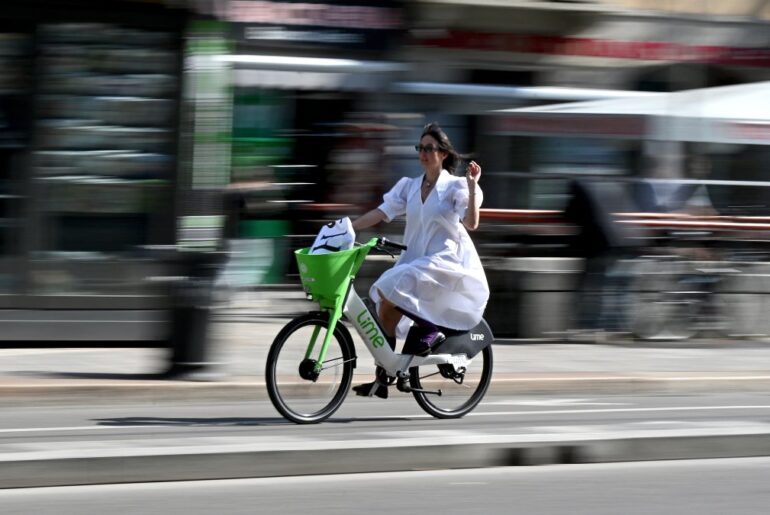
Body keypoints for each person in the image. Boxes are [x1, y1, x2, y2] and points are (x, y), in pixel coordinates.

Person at [349, 122, 489, 398]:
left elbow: (471, 223)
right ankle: (384, 377)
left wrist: (473, 188)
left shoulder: (454, 187)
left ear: (443, 153)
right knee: (385, 309)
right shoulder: (410, 187)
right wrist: (350, 228)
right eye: (420, 148)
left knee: (389, 283)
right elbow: (382, 212)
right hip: (416, 260)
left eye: (429, 148)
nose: (423, 153)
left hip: (444, 263)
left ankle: (431, 330)